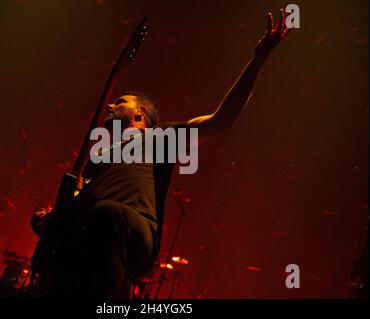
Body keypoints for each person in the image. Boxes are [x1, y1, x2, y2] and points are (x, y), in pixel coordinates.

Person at [31, 9, 291, 298]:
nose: (110, 106)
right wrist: (50, 218)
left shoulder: (159, 137)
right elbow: (78, 198)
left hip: (134, 231)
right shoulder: (98, 156)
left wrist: (258, 59)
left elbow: (220, 120)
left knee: (107, 214)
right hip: (93, 233)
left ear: (141, 113)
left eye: (120, 102)